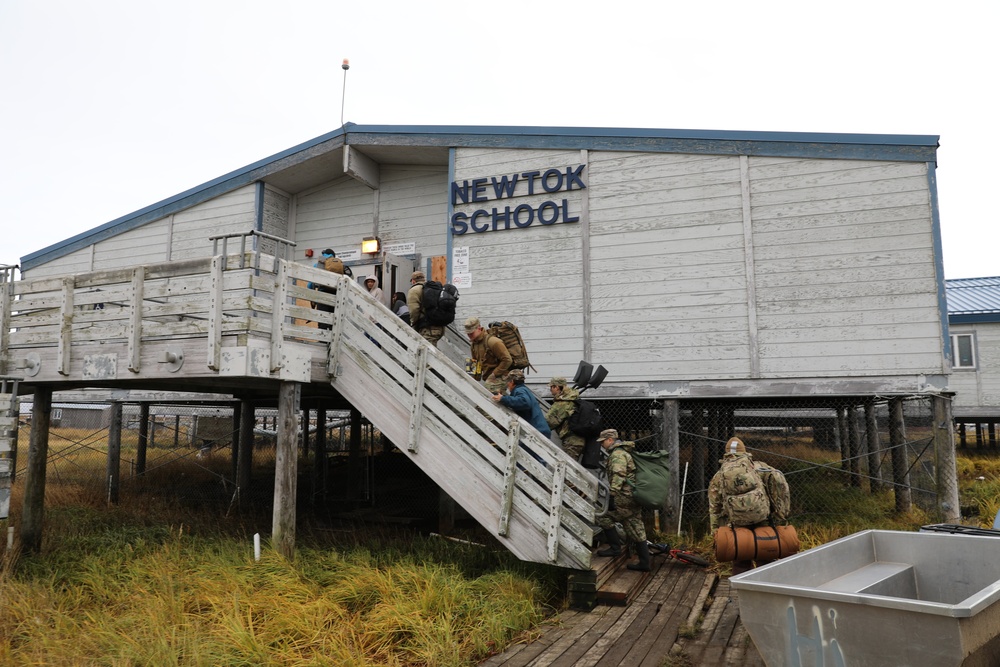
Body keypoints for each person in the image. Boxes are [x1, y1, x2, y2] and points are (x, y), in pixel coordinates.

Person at [708, 436, 773, 575]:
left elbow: (715, 507)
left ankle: (743, 591)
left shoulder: (719, 476)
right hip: (762, 519)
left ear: (725, 454)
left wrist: (716, 531)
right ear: (744, 451)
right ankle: (768, 589)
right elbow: (776, 489)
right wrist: (779, 517)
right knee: (765, 558)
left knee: (741, 560)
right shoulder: (759, 468)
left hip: (737, 523)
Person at [594, 429, 650, 571]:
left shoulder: (617, 454)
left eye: (603, 442)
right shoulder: (625, 452)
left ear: (610, 440)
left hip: (624, 497)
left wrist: (612, 495)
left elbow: (619, 475)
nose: (602, 445)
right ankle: (645, 562)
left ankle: (615, 548)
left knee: (603, 517)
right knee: (635, 526)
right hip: (633, 497)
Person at [491, 370, 551, 437]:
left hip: (536, 432)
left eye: (508, 381)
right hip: (539, 430)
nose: (507, 384)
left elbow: (524, 402)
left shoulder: (519, 390)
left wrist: (503, 398)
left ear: (512, 381)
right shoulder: (524, 389)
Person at [464, 316, 512, 395]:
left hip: (502, 375)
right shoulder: (474, 344)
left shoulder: (493, 341)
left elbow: (507, 360)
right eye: (468, 333)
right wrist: (472, 379)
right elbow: (475, 362)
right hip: (489, 379)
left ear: (479, 328)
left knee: (487, 397)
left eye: (471, 332)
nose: (469, 335)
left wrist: (494, 374)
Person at [545, 376, 585, 461]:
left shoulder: (562, 403)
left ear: (557, 387)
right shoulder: (572, 398)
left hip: (571, 441)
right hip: (577, 440)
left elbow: (551, 422)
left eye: (551, 387)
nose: (550, 389)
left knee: (568, 468)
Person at [407, 271, 444, 346]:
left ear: (413, 281)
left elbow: (414, 310)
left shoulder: (414, 290)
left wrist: (414, 324)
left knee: (428, 354)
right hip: (439, 327)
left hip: (426, 328)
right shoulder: (432, 288)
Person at [309, 249, 343, 330]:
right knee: (333, 321)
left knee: (322, 320)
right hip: (336, 297)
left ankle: (322, 340)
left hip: (322, 296)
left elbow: (310, 284)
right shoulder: (340, 265)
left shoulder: (318, 264)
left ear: (324, 254)